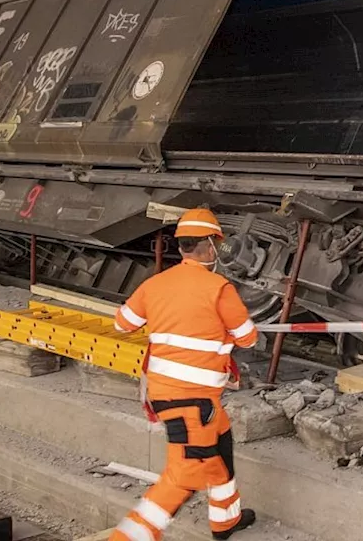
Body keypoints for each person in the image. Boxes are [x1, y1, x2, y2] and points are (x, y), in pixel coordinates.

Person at [108, 208, 259, 541]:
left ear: (181, 247)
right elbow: (249, 338)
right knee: (184, 476)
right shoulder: (219, 288)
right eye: (217, 244)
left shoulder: (155, 285)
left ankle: (225, 521)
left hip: (172, 396)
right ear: (208, 245)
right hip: (192, 402)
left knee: (220, 448)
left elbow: (123, 323)